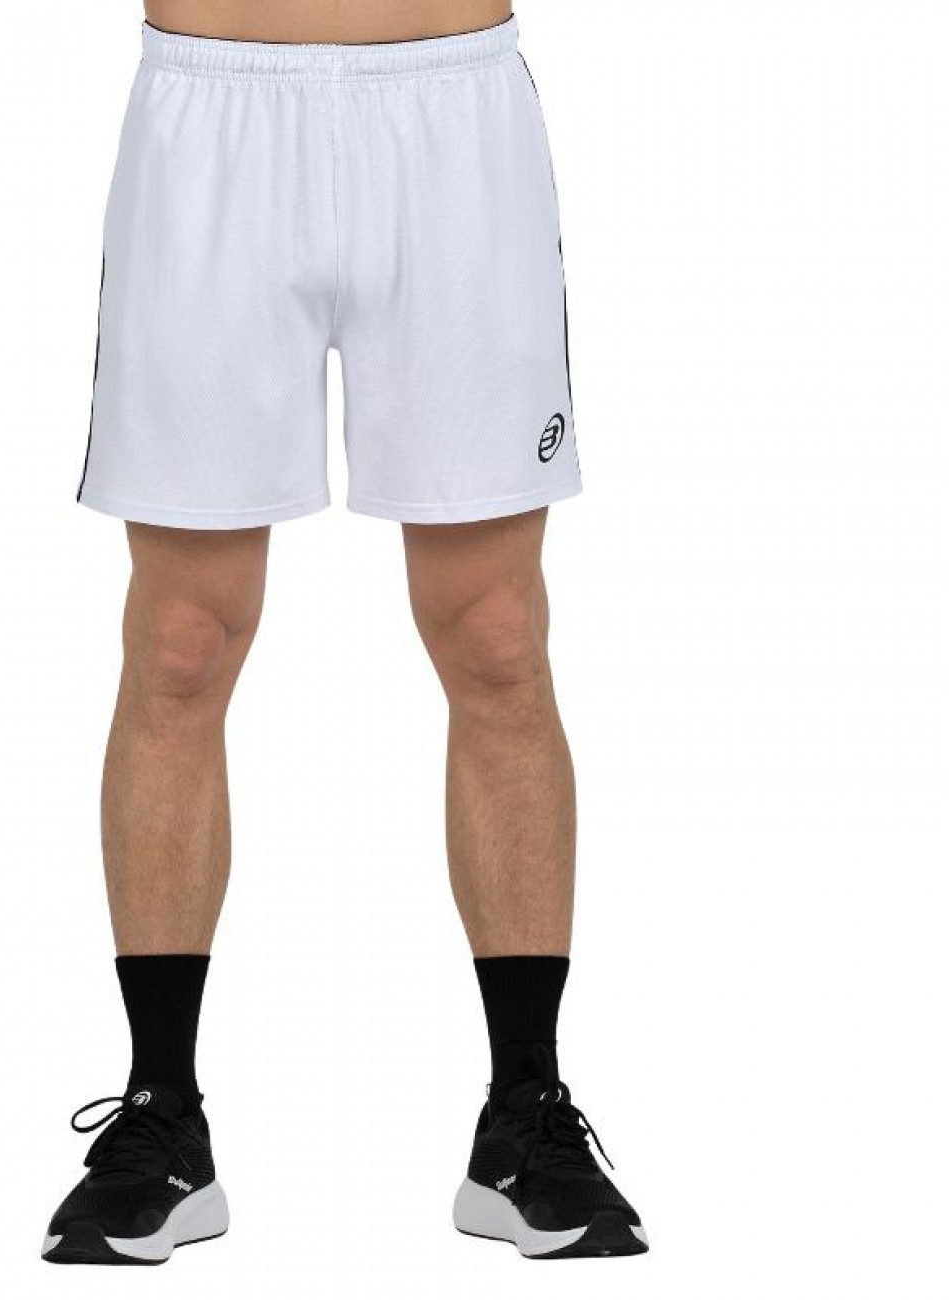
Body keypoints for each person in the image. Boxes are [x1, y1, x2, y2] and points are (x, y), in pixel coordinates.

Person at [43, 0, 647, 1264]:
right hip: (211, 116)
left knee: (495, 634)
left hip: (452, 117)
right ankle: (162, 1116)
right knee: (180, 641)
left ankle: (523, 1119)